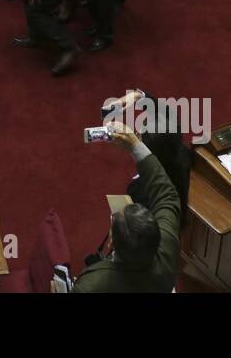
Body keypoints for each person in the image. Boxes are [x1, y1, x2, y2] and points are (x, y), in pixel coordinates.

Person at [66, 121, 180, 293]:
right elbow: (167, 195)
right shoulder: (167, 252)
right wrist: (135, 144)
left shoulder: (92, 285)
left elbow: (166, 197)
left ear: (111, 241)